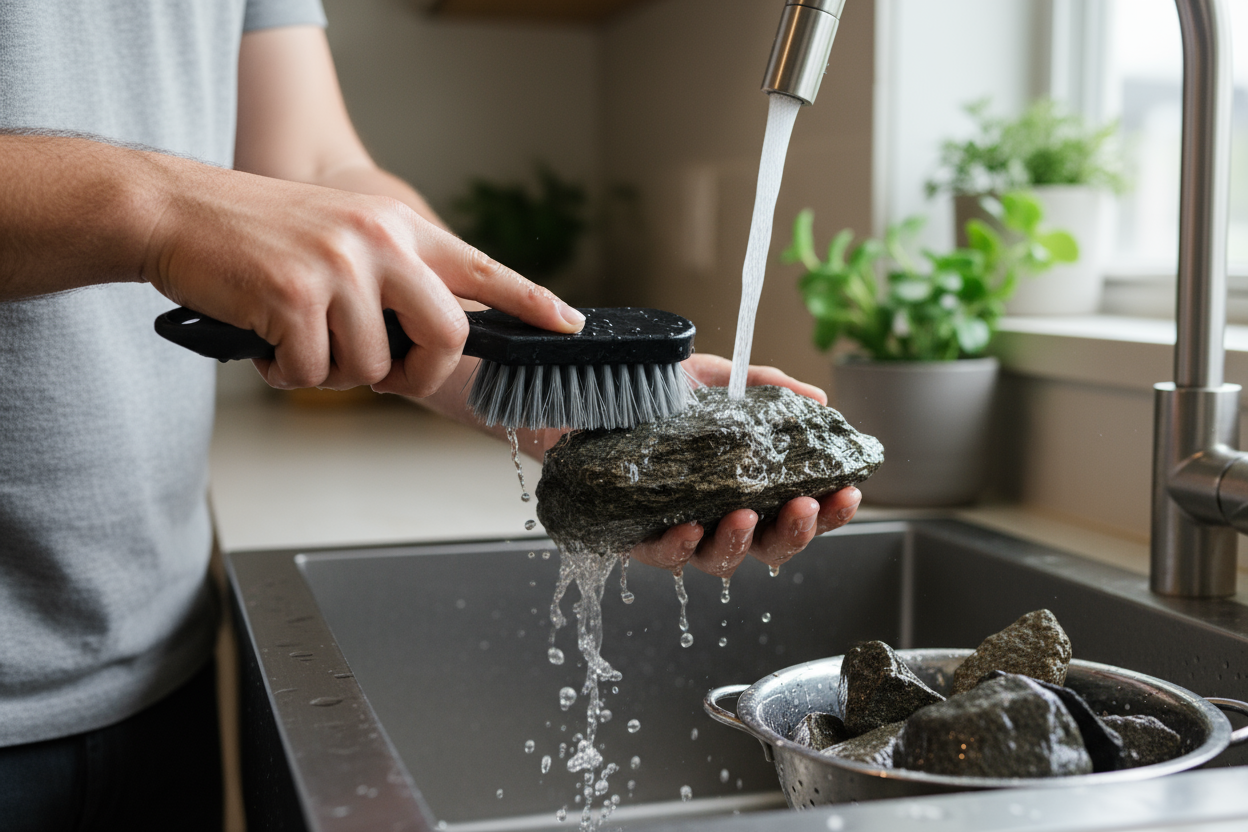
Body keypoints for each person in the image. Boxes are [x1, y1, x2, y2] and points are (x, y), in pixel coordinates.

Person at [0, 2, 862, 829]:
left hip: (153, 662)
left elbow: (311, 162)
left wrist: (535, 381)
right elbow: (219, 203)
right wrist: (157, 206)